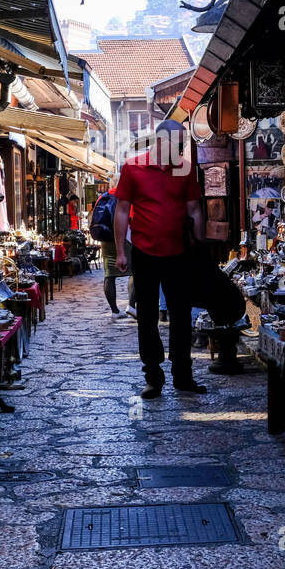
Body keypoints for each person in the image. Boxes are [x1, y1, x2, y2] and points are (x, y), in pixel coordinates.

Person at [114, 120, 208, 398]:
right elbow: (121, 211)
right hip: (144, 253)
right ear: (162, 141)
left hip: (179, 253)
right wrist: (121, 250)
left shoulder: (185, 170)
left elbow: (194, 210)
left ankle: (182, 375)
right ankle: (153, 377)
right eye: (178, 144)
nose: (181, 150)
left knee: (181, 316)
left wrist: (200, 248)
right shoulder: (133, 168)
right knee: (147, 316)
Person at [94, 177, 129, 321]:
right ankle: (132, 306)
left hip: (106, 238)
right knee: (134, 272)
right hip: (125, 236)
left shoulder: (103, 197)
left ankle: (114, 310)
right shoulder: (125, 197)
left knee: (109, 274)